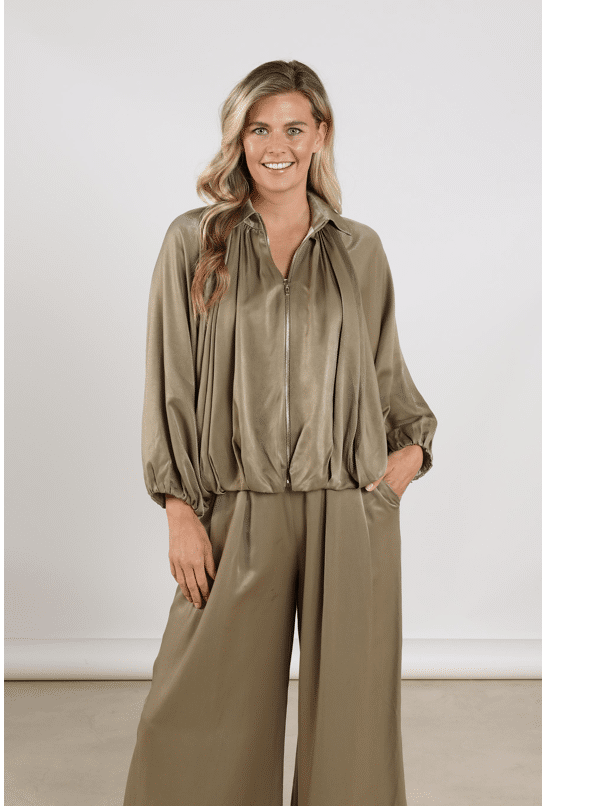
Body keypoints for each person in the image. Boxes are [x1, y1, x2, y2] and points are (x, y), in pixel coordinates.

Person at [123, 59, 437, 806]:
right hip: (237, 505)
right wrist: (179, 509)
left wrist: (411, 452)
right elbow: (171, 381)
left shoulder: (359, 249)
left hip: (349, 505)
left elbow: (385, 372)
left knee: (353, 724)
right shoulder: (195, 241)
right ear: (238, 139)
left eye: (294, 128)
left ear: (320, 135)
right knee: (198, 704)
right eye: (259, 129)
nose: (277, 146)